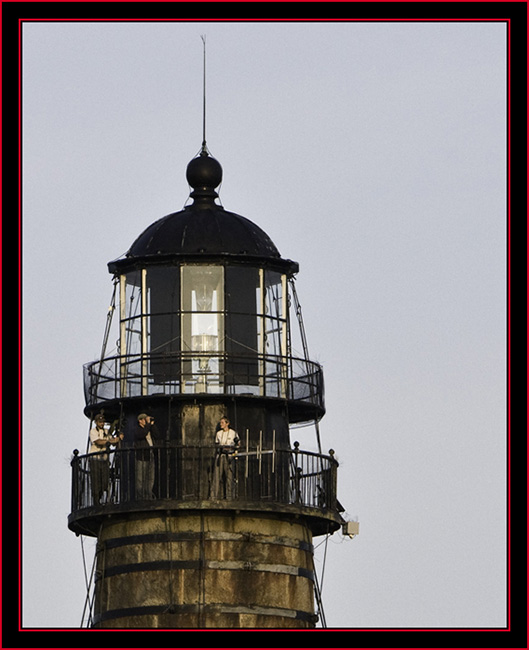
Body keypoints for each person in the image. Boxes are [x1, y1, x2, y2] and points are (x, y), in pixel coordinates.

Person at [89, 413, 123, 505]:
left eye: (103, 422)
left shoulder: (107, 431)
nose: (102, 424)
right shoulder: (93, 431)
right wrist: (110, 441)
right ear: (96, 422)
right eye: (100, 422)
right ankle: (96, 501)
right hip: (95, 459)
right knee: (96, 481)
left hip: (104, 460)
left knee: (104, 481)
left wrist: (118, 438)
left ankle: (105, 500)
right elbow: (98, 442)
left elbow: (113, 442)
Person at [211, 417, 240, 499]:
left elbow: (238, 443)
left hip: (230, 456)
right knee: (216, 476)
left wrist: (232, 448)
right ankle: (213, 496)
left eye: (223, 422)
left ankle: (229, 497)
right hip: (220, 455)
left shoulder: (233, 433)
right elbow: (216, 444)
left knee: (229, 477)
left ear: (227, 423)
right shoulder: (218, 434)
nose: (221, 424)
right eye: (220, 423)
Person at [133, 413, 159, 499]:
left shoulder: (149, 429)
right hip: (141, 456)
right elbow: (141, 434)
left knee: (150, 477)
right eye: (144, 419)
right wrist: (148, 425)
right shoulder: (137, 429)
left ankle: (148, 495)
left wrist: (152, 425)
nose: (146, 421)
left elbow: (157, 435)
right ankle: (141, 497)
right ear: (140, 421)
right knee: (140, 478)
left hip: (150, 454)